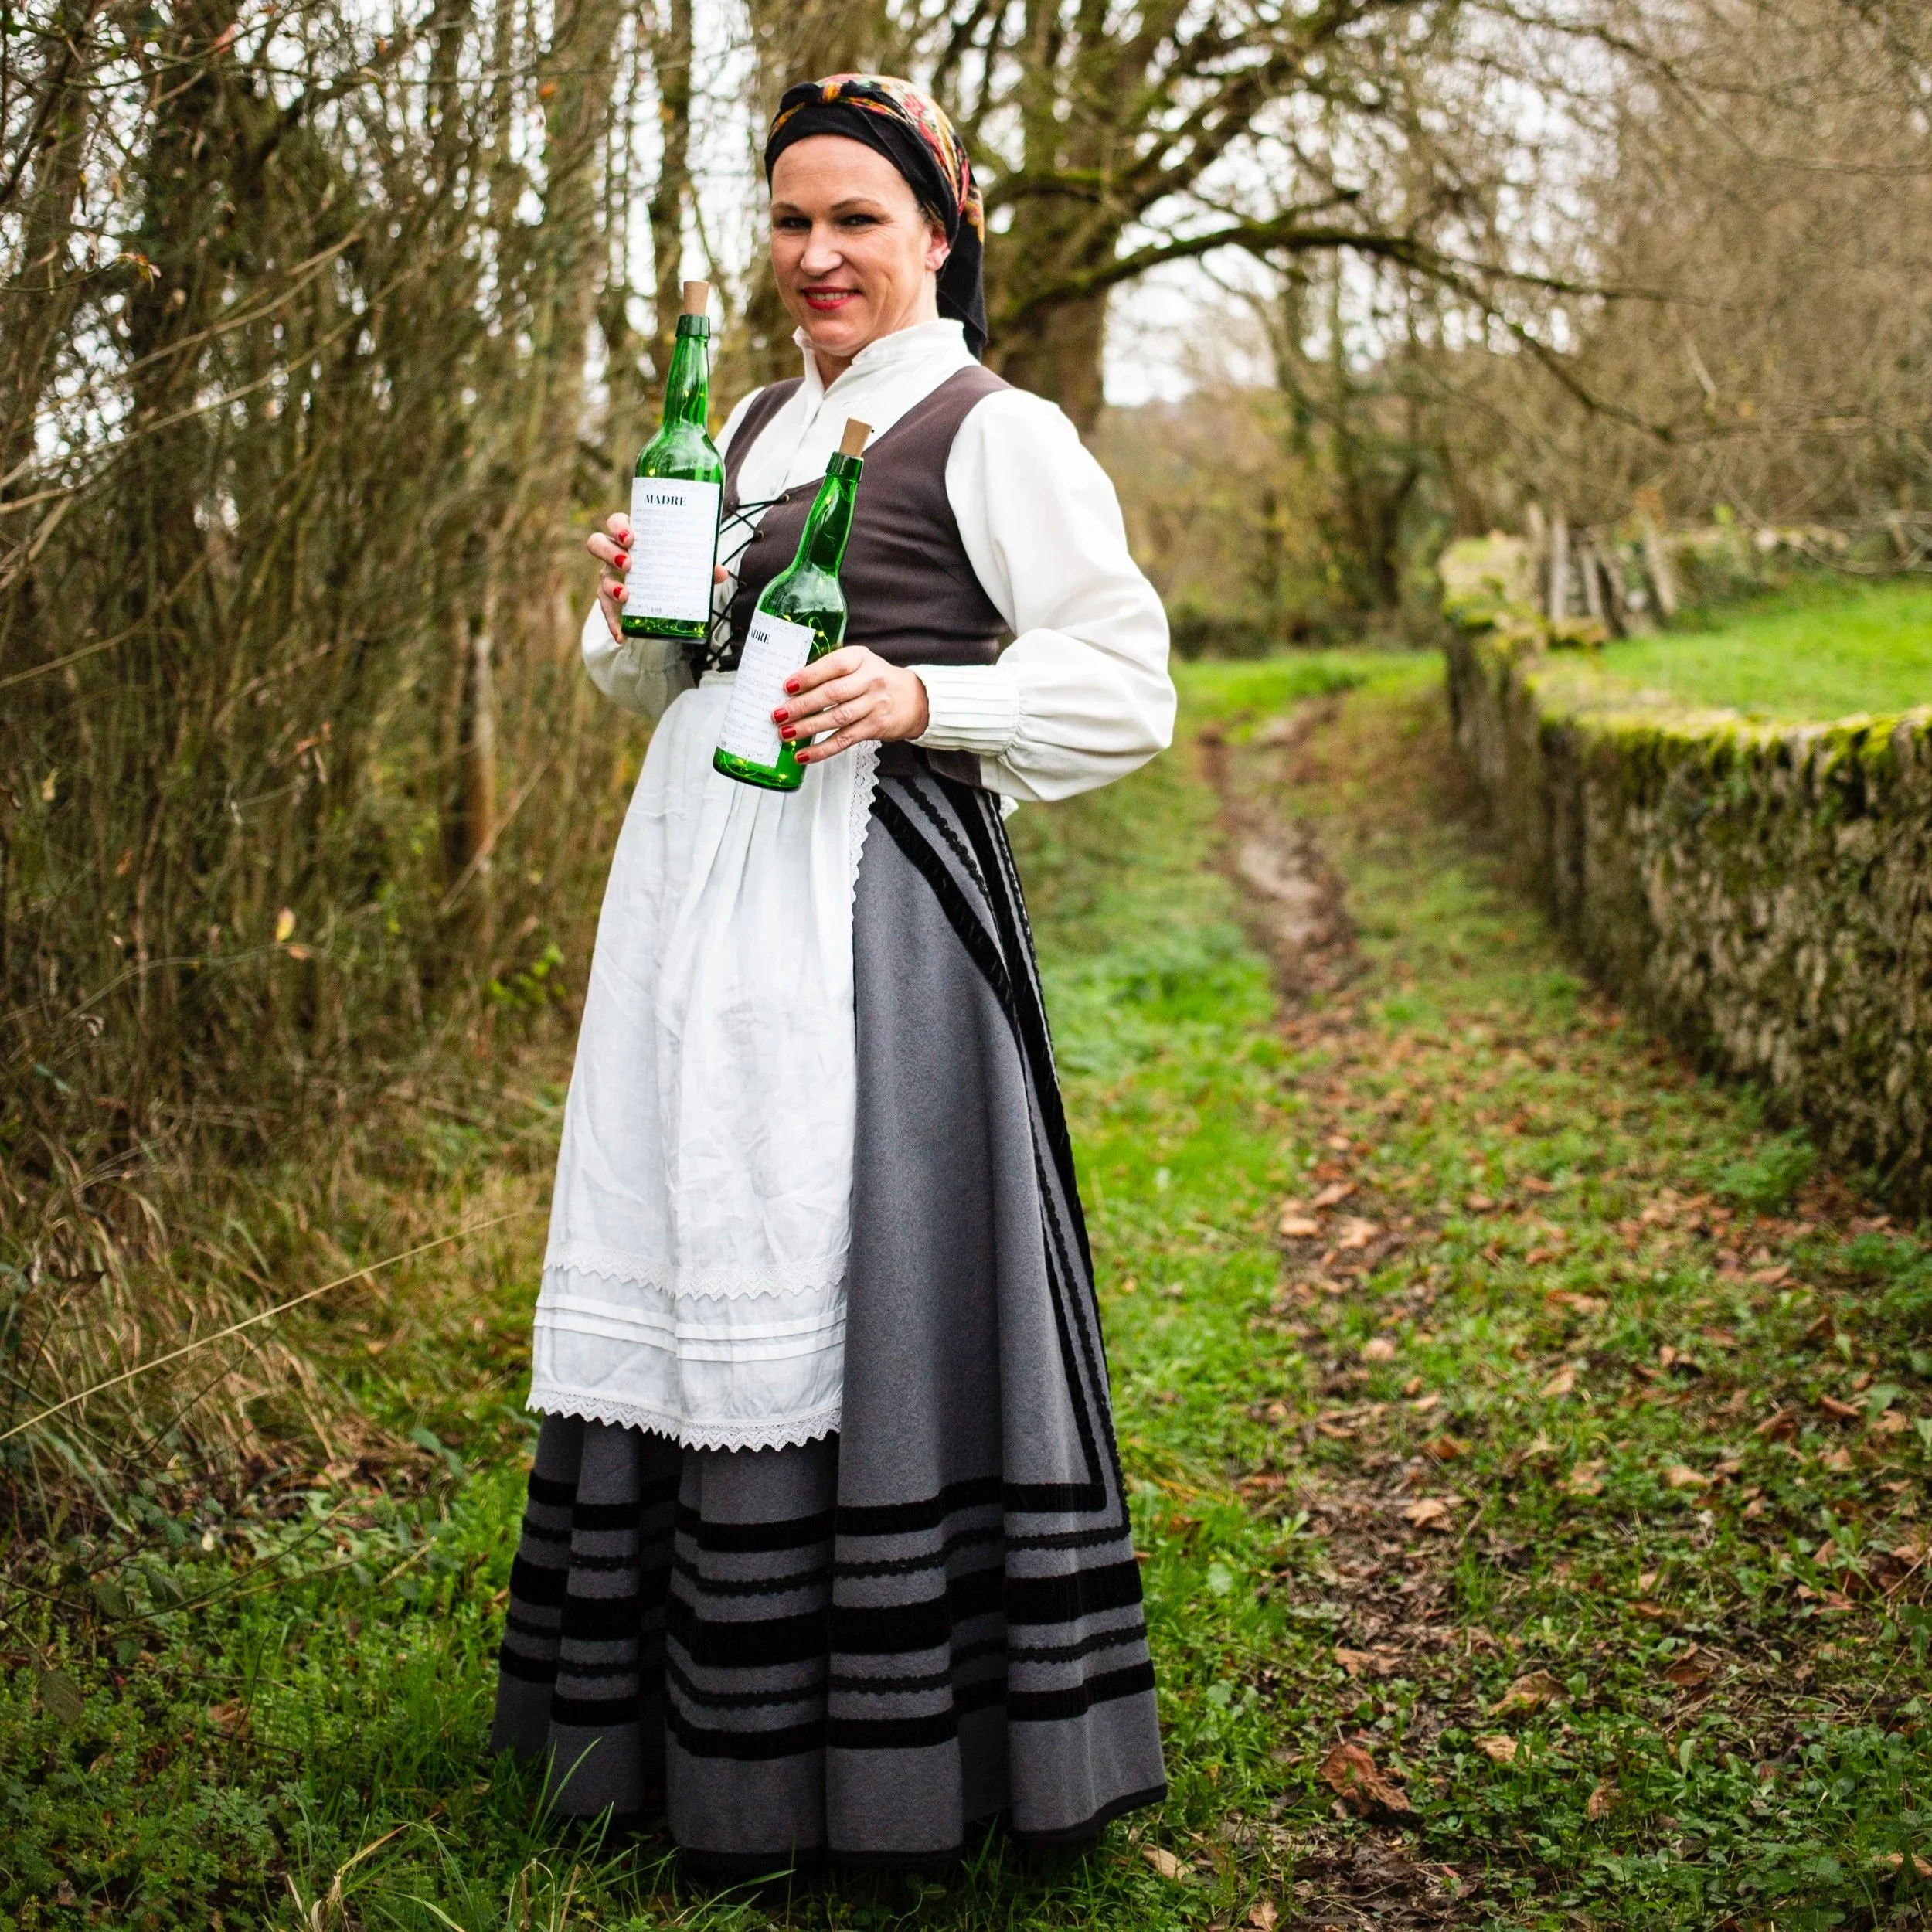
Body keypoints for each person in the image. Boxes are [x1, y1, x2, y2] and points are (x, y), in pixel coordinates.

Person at [491, 71, 1175, 1872]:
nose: (815, 253)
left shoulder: (989, 429)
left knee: (850, 1266)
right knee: (697, 1237)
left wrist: (924, 691)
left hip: (873, 910)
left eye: (855, 219)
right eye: (791, 219)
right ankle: (681, 1742)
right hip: (694, 904)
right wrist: (630, 604)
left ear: (934, 235)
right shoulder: (732, 429)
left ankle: (896, 1761)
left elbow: (1126, 679)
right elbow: (662, 684)